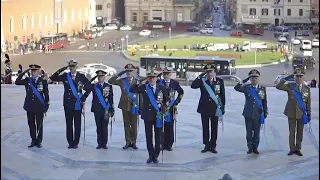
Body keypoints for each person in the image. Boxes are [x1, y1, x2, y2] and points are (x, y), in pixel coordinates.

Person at [130, 70, 169, 164]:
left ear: (156, 78)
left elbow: (167, 99)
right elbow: (132, 90)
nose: (152, 79)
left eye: (153, 77)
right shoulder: (144, 87)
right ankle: (150, 155)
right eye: (150, 77)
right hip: (147, 115)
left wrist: (164, 106)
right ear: (147, 79)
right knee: (148, 136)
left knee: (158, 136)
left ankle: (156, 155)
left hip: (158, 116)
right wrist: (140, 81)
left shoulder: (161, 88)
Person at [50, 60, 90, 149]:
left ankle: (76, 142)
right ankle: (70, 141)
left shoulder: (81, 76)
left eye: (73, 66)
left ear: (76, 67)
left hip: (77, 103)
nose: (72, 68)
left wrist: (84, 97)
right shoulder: (65, 76)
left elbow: (89, 87)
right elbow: (53, 77)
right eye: (70, 67)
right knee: (69, 124)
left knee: (77, 124)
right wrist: (63, 69)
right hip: (67, 104)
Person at [191, 64, 225, 153]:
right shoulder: (202, 81)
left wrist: (222, 108)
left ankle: (213, 145)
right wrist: (200, 76)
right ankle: (206, 144)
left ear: (214, 72)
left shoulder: (219, 81)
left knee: (214, 127)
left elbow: (223, 95)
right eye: (208, 72)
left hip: (215, 108)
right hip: (204, 108)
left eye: (211, 71)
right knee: (205, 127)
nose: (210, 74)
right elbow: (193, 86)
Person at [276, 68, 311, 156]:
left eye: (300, 76)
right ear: (294, 77)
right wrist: (288, 77)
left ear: (302, 78)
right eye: (297, 76)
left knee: (300, 132)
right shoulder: (290, 86)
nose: (298, 78)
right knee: (292, 132)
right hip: (291, 112)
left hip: (301, 114)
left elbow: (308, 102)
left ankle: (298, 149)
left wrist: (309, 113)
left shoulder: (307, 89)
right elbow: (278, 86)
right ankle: (292, 149)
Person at [108, 64, 142, 149]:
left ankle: (133, 142)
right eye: (127, 71)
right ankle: (127, 142)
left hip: (134, 106)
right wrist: (120, 74)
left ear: (134, 71)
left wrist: (141, 107)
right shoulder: (122, 81)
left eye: (131, 71)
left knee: (134, 125)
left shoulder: (138, 82)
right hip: (124, 105)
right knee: (126, 125)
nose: (129, 72)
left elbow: (141, 95)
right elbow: (110, 81)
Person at [234, 69, 268, 154]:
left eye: (256, 78)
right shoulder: (247, 87)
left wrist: (265, 112)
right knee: (249, 132)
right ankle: (249, 147)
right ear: (250, 79)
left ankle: (255, 147)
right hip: (248, 113)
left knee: (257, 132)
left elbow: (264, 101)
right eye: (252, 78)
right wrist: (244, 80)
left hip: (258, 113)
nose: (254, 79)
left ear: (258, 78)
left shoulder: (262, 89)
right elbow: (236, 88)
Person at [15, 64, 50, 148]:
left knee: (39, 125)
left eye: (34, 71)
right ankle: (33, 140)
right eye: (31, 71)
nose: (33, 72)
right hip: (29, 106)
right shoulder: (27, 80)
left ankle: (39, 141)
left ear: (38, 71)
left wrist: (46, 106)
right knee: (31, 124)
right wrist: (24, 72)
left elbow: (46, 94)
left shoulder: (43, 81)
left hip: (39, 106)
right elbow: (17, 82)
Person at [83, 70, 114, 149]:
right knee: (98, 126)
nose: (100, 78)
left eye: (101, 76)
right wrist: (91, 79)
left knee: (105, 127)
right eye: (98, 77)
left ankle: (104, 143)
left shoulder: (108, 86)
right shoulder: (94, 86)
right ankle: (99, 143)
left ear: (104, 77)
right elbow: (85, 88)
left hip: (106, 110)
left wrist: (112, 110)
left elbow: (111, 99)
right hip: (97, 109)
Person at [157, 67, 184, 151]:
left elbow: (181, 92)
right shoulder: (159, 82)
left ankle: (169, 144)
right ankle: (161, 143)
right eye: (164, 74)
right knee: (161, 126)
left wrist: (177, 101)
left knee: (169, 126)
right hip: (161, 107)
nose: (166, 75)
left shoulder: (174, 83)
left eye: (167, 74)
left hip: (171, 108)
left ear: (170, 74)